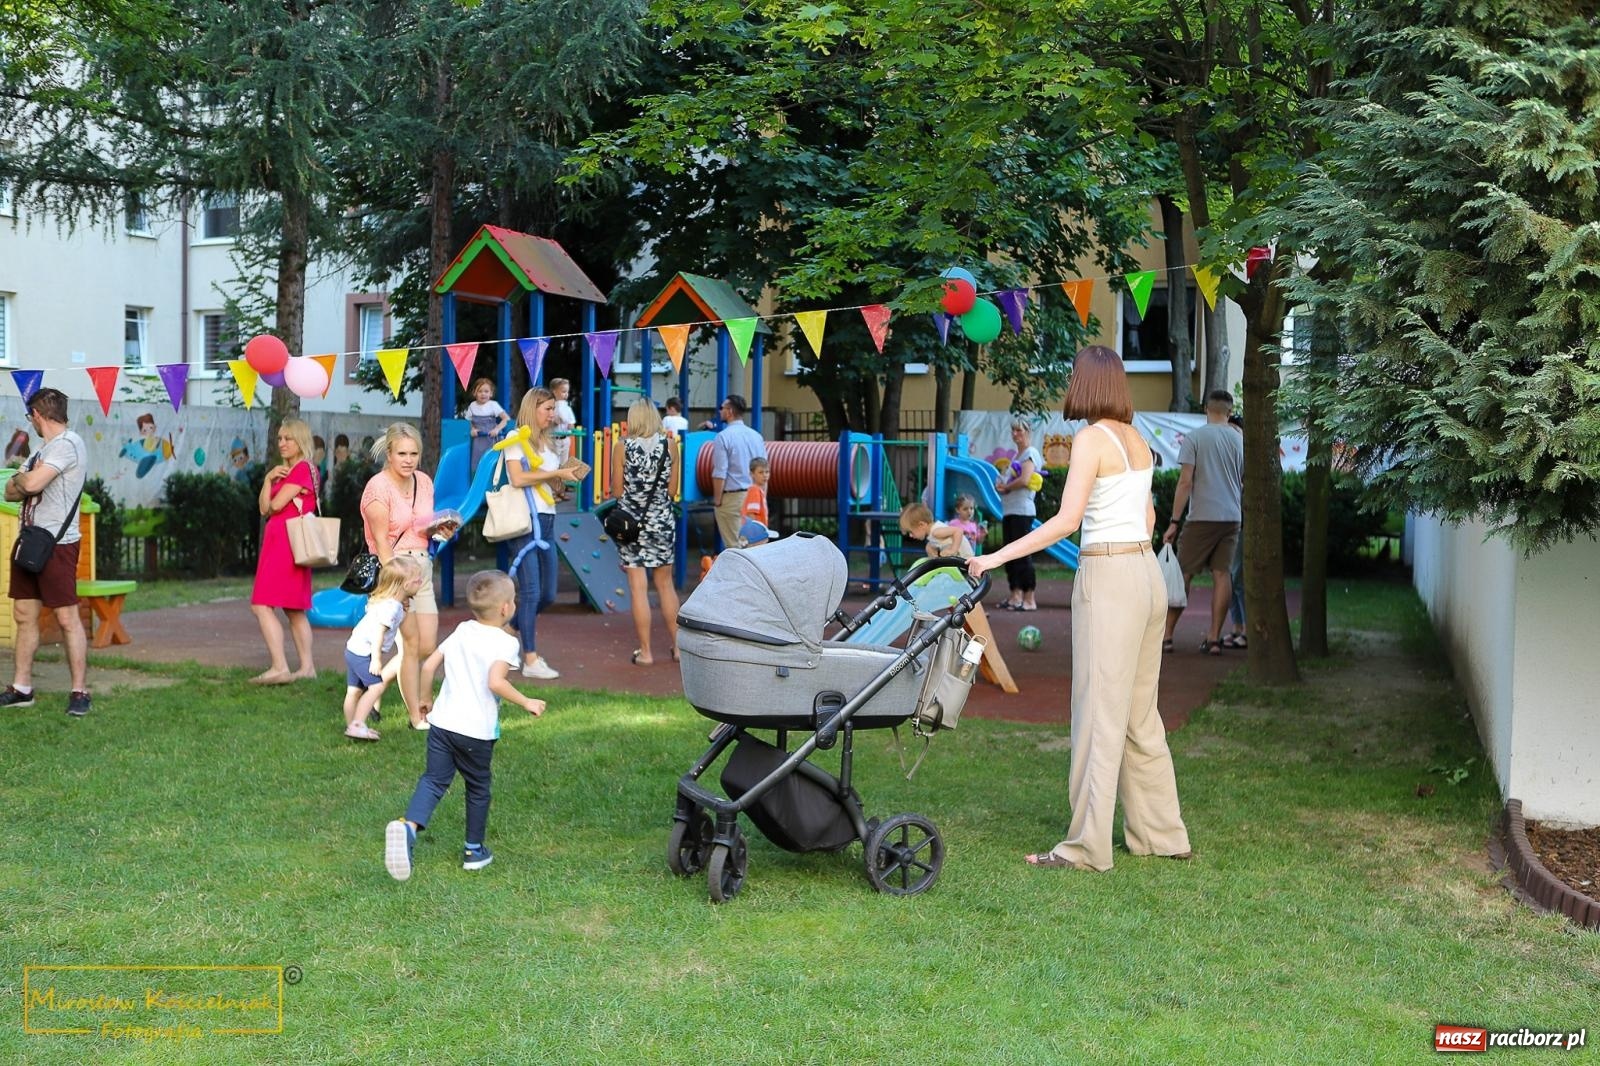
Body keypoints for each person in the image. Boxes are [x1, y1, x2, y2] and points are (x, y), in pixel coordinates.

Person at [967, 345, 1190, 871]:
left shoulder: (1092, 438)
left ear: (1085, 384)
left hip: (1110, 578)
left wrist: (995, 555)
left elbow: (1067, 521)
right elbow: (1152, 515)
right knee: (1140, 715)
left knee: (1098, 715)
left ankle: (1086, 848)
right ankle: (1162, 835)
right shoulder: (1136, 441)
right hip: (1145, 576)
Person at [384, 570, 545, 880]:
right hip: (476, 732)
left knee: (433, 780)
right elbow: (495, 682)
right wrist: (526, 702)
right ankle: (474, 850)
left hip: (443, 724)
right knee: (478, 787)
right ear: (505, 608)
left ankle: (408, 828)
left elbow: (429, 664)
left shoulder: (462, 630)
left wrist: (425, 699)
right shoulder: (505, 642)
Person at [0, 388, 91, 717]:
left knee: (67, 618)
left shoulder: (69, 443)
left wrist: (24, 479)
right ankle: (22, 688)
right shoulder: (41, 450)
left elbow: (31, 485)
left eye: (31, 418)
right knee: (24, 615)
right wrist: (25, 479)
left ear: (37, 415)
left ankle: (80, 691)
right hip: (29, 540)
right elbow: (10, 492)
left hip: (57, 544)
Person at [360, 423, 443, 728]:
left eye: (414, 453)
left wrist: (439, 529)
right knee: (410, 644)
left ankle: (375, 687)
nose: (408, 460)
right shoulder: (378, 488)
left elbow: (422, 525)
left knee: (425, 645)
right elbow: (381, 540)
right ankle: (417, 715)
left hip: (422, 567)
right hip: (394, 570)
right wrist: (397, 585)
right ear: (390, 454)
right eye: (402, 454)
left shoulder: (424, 481)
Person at [501, 387, 585, 679]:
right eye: (548, 409)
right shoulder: (516, 438)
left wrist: (562, 483)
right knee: (532, 592)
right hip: (526, 523)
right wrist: (555, 475)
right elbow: (518, 477)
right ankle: (531, 660)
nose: (553, 414)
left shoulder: (548, 445)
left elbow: (545, 485)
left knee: (548, 593)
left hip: (547, 521)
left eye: (553, 408)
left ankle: (508, 631)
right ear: (532, 409)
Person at [1161, 390, 1245, 655]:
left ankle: (1166, 636)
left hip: (1201, 517)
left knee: (1183, 574)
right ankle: (1213, 638)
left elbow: (1186, 482)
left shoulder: (1195, 438)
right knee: (1223, 575)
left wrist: (1174, 521)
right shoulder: (1240, 440)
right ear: (1230, 412)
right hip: (1232, 517)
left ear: (1206, 409)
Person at [248, 418, 320, 685]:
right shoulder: (286, 471)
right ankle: (306, 667)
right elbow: (262, 508)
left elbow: (275, 506)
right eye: (279, 438)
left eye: (288, 438)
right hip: (283, 544)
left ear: (300, 440)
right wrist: (268, 479)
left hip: (286, 545)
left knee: (261, 604)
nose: (282, 443)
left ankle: (279, 666)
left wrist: (271, 490)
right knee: (293, 608)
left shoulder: (302, 469)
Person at [611, 397, 682, 666]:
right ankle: (677, 648)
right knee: (666, 585)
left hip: (632, 524)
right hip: (662, 521)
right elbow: (672, 491)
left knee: (638, 589)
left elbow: (617, 491)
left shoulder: (622, 447)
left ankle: (646, 652)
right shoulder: (671, 445)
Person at [342, 555, 426, 741]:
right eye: (417, 580)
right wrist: (376, 659)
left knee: (353, 692)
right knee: (376, 686)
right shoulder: (391, 607)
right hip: (364, 652)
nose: (421, 582)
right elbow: (378, 634)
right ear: (404, 585)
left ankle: (352, 728)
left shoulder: (387, 601)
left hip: (353, 648)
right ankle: (357, 725)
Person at [709, 394, 766, 550]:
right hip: (755, 495)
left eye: (722, 408)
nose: (720, 411)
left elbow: (720, 471)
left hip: (733, 498)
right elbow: (763, 469)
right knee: (754, 545)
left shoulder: (723, 437)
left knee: (735, 547)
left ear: (730, 411)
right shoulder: (756, 436)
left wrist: (718, 500)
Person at [997, 419, 1042, 610]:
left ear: (1028, 432)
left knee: (1022, 554)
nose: (1015, 433)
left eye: (1019, 430)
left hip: (1022, 511)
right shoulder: (1018, 455)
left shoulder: (1030, 454)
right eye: (1013, 430)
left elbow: (1024, 480)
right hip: (1010, 510)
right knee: (1010, 554)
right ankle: (1015, 596)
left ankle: (1029, 598)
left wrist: (1006, 487)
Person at [1223, 413, 1247, 649]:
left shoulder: (1246, 458)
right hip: (1228, 521)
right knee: (1227, 576)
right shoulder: (1228, 459)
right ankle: (1237, 626)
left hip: (1241, 523)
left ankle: (1246, 629)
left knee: (1236, 575)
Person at [465, 377, 510, 477]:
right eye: (480, 391)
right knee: (478, 461)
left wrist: (497, 429)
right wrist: (472, 429)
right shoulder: (472, 406)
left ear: (491, 394)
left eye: (486, 391)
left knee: (492, 459)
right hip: (479, 439)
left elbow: (505, 419)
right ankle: (477, 479)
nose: (483, 394)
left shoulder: (493, 405)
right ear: (474, 393)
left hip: (491, 438)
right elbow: (469, 421)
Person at [898, 501, 973, 558]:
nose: (911, 535)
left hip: (965, 559)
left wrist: (953, 549)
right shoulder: (932, 535)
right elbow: (935, 543)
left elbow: (958, 531)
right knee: (928, 546)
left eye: (911, 532)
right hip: (958, 560)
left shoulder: (936, 531)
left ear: (921, 525)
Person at [740, 456, 770, 527]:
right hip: (756, 533)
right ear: (752, 474)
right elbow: (751, 514)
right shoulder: (754, 490)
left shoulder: (758, 490)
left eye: (767, 472)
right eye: (760, 472)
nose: (765, 475)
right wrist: (755, 533)